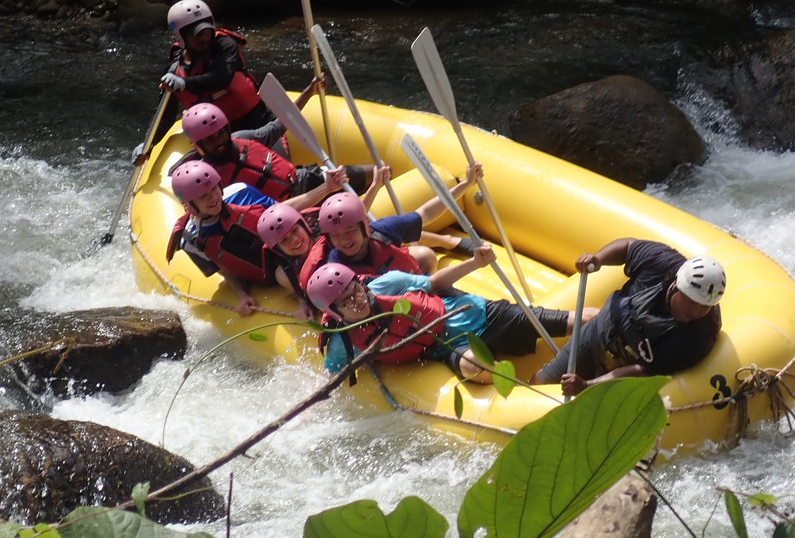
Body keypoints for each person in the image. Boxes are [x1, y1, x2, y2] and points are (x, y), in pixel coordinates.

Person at [305, 250, 588, 383]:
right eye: (346, 302)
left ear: (360, 283)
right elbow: (332, 375)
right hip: (442, 346)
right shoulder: (343, 341)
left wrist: (474, 263)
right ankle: (531, 387)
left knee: (567, 321)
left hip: (476, 313)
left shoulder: (385, 284)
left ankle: (612, 318)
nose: (356, 301)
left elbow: (435, 283)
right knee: (474, 368)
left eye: (355, 291)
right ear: (336, 314)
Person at [532, 238, 726, 397]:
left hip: (623, 366)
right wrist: (598, 259)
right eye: (691, 301)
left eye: (705, 307)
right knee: (541, 381)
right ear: (676, 285)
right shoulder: (661, 262)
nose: (696, 311)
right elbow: (627, 247)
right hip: (595, 335)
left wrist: (587, 386)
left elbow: (641, 372)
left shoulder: (698, 337)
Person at [166, 160, 346, 316]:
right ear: (189, 204)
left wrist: (326, 188)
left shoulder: (240, 192)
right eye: (203, 196)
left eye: (213, 188)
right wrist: (242, 295)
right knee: (282, 275)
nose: (213, 198)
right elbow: (225, 271)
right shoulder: (191, 241)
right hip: (275, 273)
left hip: (295, 246)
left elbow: (283, 211)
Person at [297, 162, 484, 288]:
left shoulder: (382, 229)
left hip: (409, 286)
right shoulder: (335, 268)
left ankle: (447, 242)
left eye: (350, 231)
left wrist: (466, 184)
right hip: (382, 308)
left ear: (365, 226)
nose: (344, 240)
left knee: (427, 256)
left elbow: (426, 213)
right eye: (336, 236)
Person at [176, 99, 372, 201]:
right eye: (209, 139)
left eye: (220, 133)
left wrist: (310, 91)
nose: (218, 141)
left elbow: (282, 123)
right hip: (283, 213)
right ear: (198, 145)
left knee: (372, 173)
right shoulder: (206, 179)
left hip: (303, 179)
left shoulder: (242, 138)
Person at [159, 0, 273, 132]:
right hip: (215, 136)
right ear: (180, 36)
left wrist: (184, 83)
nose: (203, 37)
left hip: (256, 120)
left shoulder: (224, 45)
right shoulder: (173, 69)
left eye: (206, 30)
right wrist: (149, 145)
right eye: (196, 34)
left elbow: (221, 78)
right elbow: (165, 116)